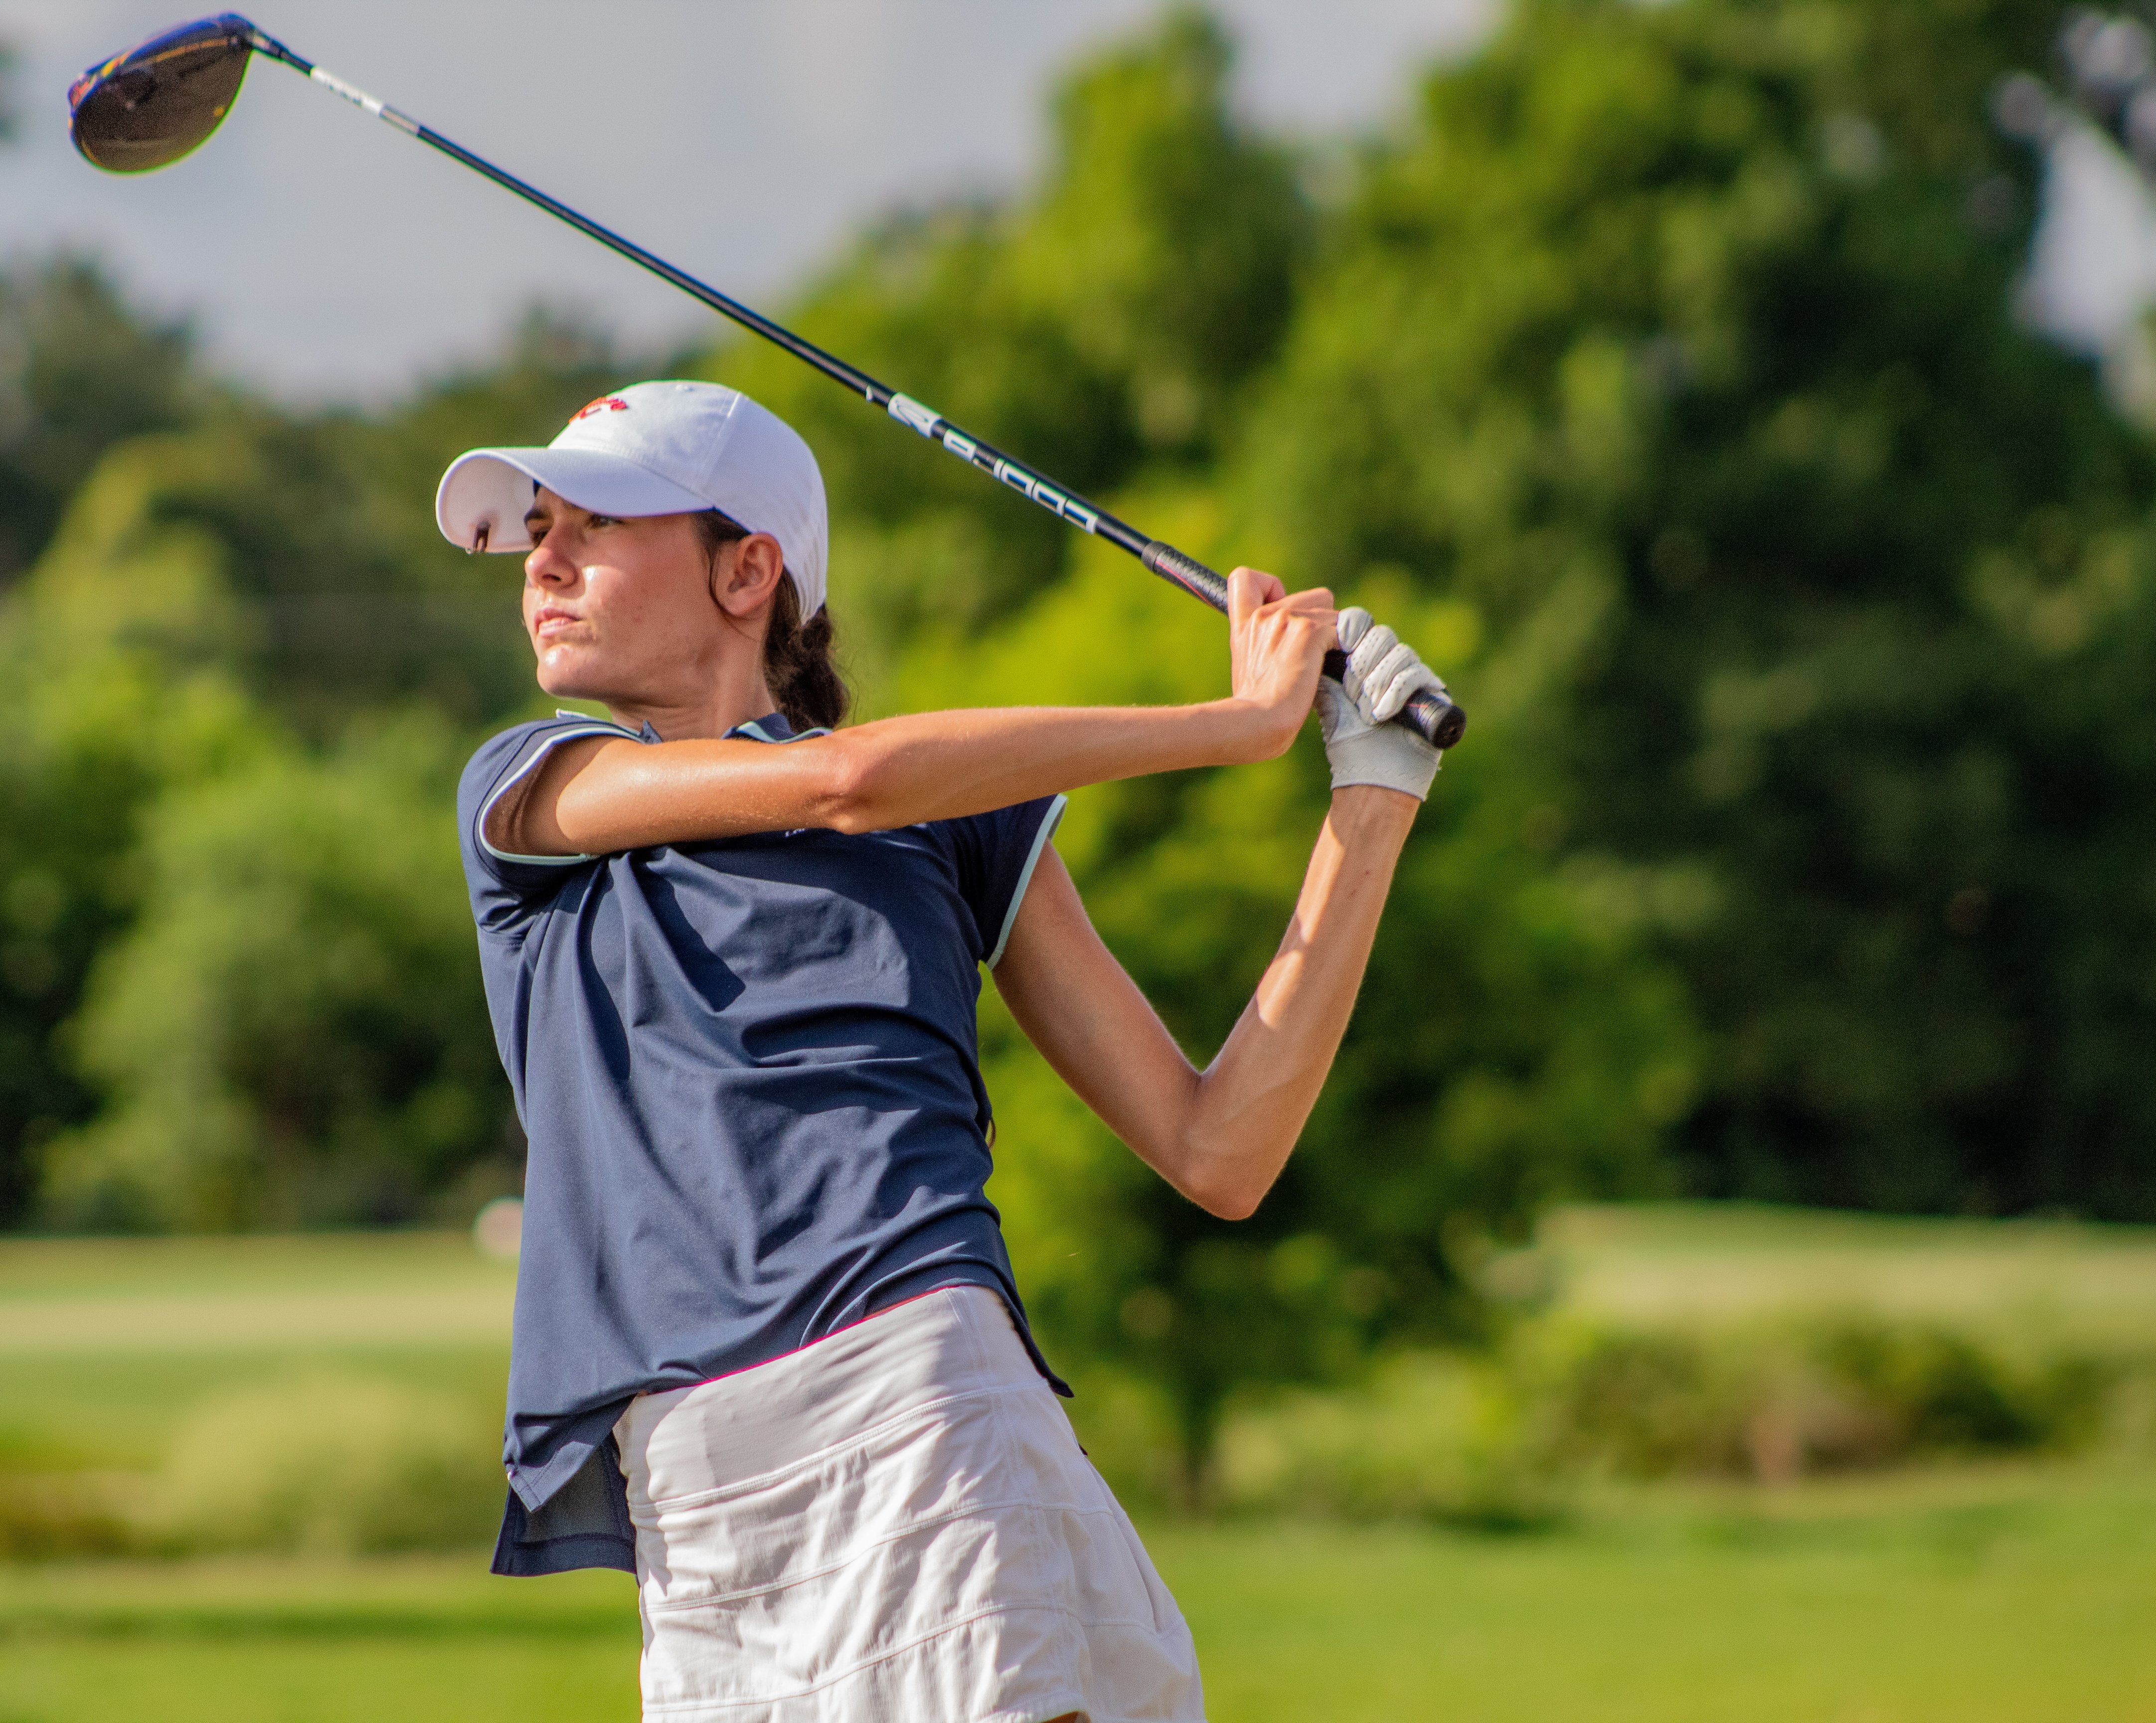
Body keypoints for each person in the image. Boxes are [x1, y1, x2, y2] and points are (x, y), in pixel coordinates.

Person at [436, 380, 1443, 1722]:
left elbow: (1222, 1151)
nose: (546, 559)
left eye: (602, 522)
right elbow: (843, 784)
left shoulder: (958, 819)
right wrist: (1235, 726)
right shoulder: (536, 788)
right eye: (541, 525)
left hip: (913, 1403)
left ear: (750, 571)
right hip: (694, 1500)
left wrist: (1370, 797)